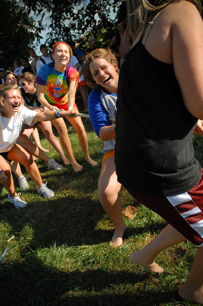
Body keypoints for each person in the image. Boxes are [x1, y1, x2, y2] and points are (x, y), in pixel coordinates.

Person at [115, 0, 203, 304]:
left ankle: (145, 254)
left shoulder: (143, 31)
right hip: (162, 171)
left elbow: (159, 96)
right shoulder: (182, 10)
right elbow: (199, 100)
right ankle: (193, 290)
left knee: (190, 214)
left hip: (139, 164)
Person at [0, 85, 76, 207]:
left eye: (19, 97)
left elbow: (41, 116)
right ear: (3, 101)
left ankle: (40, 187)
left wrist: (61, 113)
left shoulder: (21, 110)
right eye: (12, 97)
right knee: (6, 173)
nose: (17, 100)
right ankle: (13, 196)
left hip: (9, 147)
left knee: (28, 159)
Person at [83, 48, 125, 247]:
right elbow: (102, 133)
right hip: (117, 150)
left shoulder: (135, 82)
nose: (101, 74)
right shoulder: (96, 97)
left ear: (115, 67)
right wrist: (124, 123)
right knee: (106, 192)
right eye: (95, 73)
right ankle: (119, 226)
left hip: (147, 145)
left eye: (104, 68)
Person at [36, 41, 98, 172]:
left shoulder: (72, 71)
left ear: (69, 55)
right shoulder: (45, 70)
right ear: (53, 54)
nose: (63, 54)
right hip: (50, 103)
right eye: (59, 51)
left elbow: (71, 94)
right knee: (62, 129)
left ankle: (87, 157)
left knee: (81, 128)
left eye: (66, 52)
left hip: (66, 103)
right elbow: (40, 96)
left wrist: (70, 109)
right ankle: (73, 161)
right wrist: (51, 107)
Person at [19, 72, 70, 167]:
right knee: (22, 137)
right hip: (29, 117)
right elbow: (22, 108)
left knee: (48, 133)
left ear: (31, 82)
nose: (22, 87)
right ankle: (30, 160)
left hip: (41, 115)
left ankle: (64, 158)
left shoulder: (40, 91)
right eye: (20, 84)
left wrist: (30, 108)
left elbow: (43, 109)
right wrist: (33, 108)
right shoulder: (21, 93)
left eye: (23, 84)